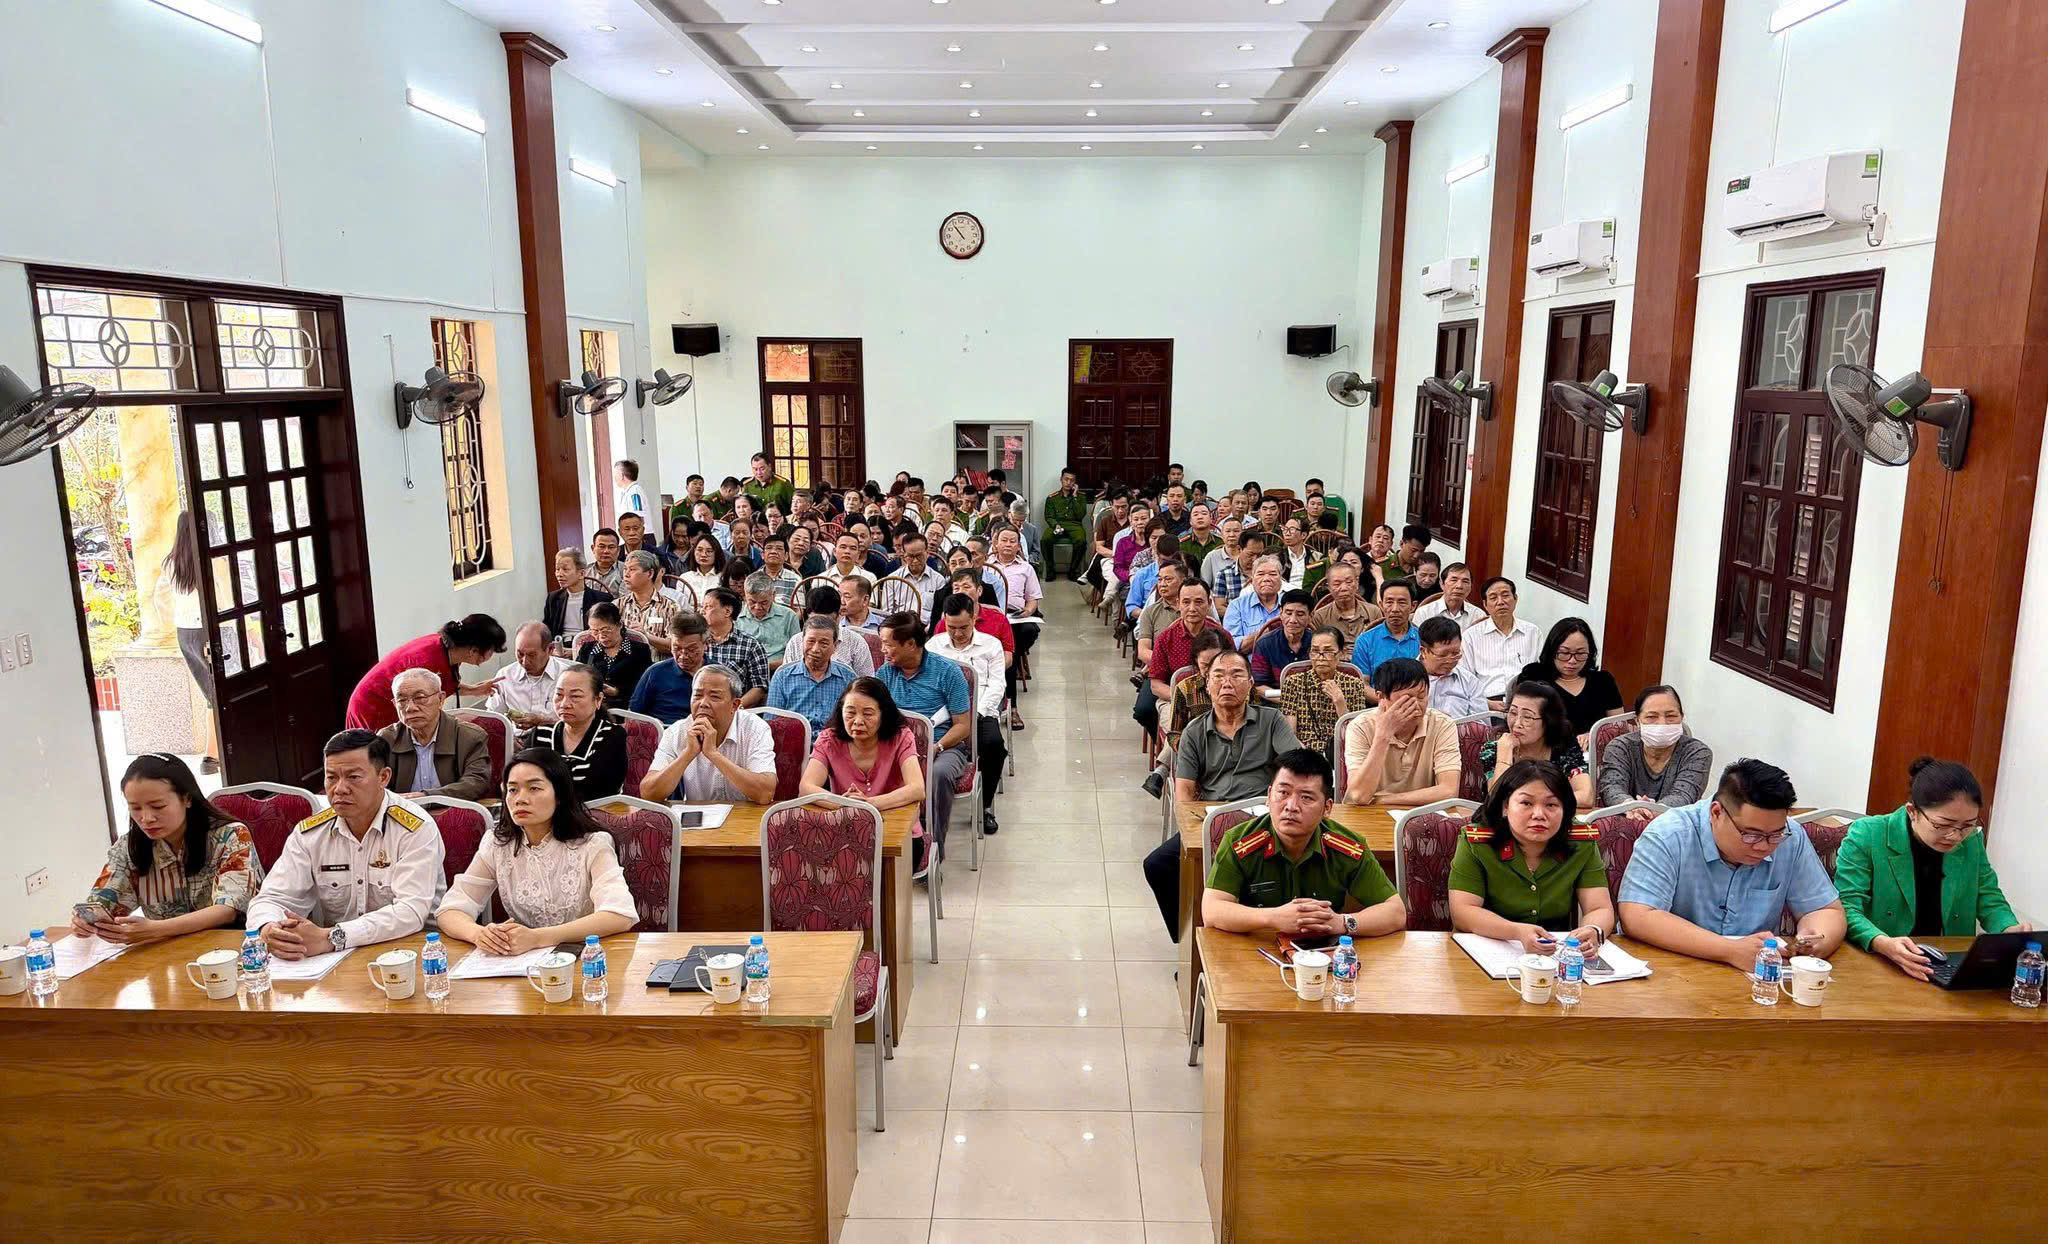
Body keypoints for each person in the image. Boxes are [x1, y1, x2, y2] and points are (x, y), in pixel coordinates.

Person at [1617, 759, 1847, 968]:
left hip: (1755, 975)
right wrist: (1729, 950)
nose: (1764, 846)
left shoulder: (1792, 837)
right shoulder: (1669, 834)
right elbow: (1638, 915)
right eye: (1751, 835)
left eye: (1775, 835)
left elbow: (1824, 909)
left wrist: (1814, 941)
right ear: (1716, 813)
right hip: (1673, 968)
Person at [245, 730, 445, 959]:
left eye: (353, 777)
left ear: (383, 777)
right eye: (331, 778)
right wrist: (269, 928)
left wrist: (332, 938)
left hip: (414, 951)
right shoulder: (311, 833)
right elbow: (272, 898)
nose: (339, 788)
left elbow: (410, 912)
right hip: (336, 957)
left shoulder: (414, 828)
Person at [1836, 758, 2028, 980]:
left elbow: (1989, 898)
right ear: (1912, 811)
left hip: (1948, 963)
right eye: (1943, 825)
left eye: (1967, 825)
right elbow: (1847, 907)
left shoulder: (1971, 841)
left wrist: (2009, 931)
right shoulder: (1868, 834)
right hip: (1881, 962)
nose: (1955, 836)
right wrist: (1882, 943)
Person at [436, 748, 638, 951]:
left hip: (589, 954)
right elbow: (450, 909)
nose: (520, 799)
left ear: (559, 794)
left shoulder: (593, 844)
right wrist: (479, 934)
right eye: (512, 790)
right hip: (523, 959)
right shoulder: (498, 844)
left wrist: (537, 938)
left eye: (534, 788)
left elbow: (619, 915)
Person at [1200, 749, 1404, 940]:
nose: (1291, 806)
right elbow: (1212, 910)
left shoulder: (1348, 847)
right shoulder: (1239, 843)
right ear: (1269, 796)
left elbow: (1395, 912)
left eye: (1306, 797)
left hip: (1324, 951)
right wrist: (1272, 917)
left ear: (1327, 808)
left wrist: (1341, 923)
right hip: (1257, 946)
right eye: (1283, 793)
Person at [72, 753, 262, 945]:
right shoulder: (129, 847)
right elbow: (103, 903)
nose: (146, 818)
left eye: (158, 806)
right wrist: (85, 921)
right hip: (164, 952)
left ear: (187, 798)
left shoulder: (230, 836)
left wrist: (155, 930)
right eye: (135, 808)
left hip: (229, 947)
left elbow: (227, 910)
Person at [1449, 760, 1614, 952]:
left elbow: (1599, 908)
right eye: (1526, 803)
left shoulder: (1581, 842)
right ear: (1505, 806)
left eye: (1551, 805)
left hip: (1555, 951)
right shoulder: (1478, 841)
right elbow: (1463, 911)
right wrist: (1517, 932)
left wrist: (1593, 930)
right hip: (1488, 946)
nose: (1539, 814)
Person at [877, 613, 975, 845]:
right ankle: (887, 843)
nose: (882, 650)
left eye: (888, 644)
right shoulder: (885, 674)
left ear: (911, 644)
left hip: (944, 747)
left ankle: (932, 845)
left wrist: (936, 747)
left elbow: (963, 726)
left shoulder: (948, 672)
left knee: (938, 774)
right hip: (896, 747)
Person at [801, 676, 928, 853]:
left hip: (900, 834)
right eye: (850, 713)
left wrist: (869, 804)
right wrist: (844, 804)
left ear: (883, 714)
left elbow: (917, 788)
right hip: (846, 832)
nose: (858, 721)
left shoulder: (901, 737)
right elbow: (806, 787)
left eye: (867, 714)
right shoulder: (829, 740)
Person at [1173, 649, 1301, 805]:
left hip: (1263, 808)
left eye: (1236, 676)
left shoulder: (1272, 720)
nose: (1227, 684)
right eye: (1218, 676)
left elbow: (1297, 766)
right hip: (1214, 810)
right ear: (1207, 685)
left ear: (1250, 684)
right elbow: (1184, 791)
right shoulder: (1194, 731)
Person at [639, 666, 779, 804]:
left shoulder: (755, 728)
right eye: (697, 696)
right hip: (698, 816)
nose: (703, 703)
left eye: (714, 697)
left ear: (734, 705)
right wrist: (688, 753)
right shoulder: (676, 732)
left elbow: (765, 793)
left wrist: (713, 754)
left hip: (747, 816)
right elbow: (648, 793)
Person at [345, 614, 506, 732]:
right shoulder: (426, 662)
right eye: (491, 651)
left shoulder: (446, 647)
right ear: (473, 651)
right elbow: (422, 713)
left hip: (385, 701)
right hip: (376, 707)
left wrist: (474, 690)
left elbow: (441, 685)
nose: (491, 656)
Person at [931, 593, 1009, 828]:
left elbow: (997, 684)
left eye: (963, 627)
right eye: (951, 627)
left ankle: (984, 806)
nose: (957, 634)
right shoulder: (933, 646)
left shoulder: (991, 645)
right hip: (943, 715)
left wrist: (976, 712)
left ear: (974, 618)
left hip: (981, 711)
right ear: (944, 620)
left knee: (994, 746)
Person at [1341, 658, 1462, 807]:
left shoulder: (1442, 725)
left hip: (1422, 814)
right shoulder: (1360, 727)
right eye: (1407, 699)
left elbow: (1449, 791)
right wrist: (1383, 736)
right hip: (1370, 815)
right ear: (1381, 697)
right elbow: (1358, 796)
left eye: (1422, 696)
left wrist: (1382, 800)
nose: (1416, 705)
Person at [157, 517, 219, 773]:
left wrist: (173, 620)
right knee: (220, 695)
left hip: (184, 632)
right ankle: (213, 756)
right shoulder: (210, 559)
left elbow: (160, 599)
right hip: (209, 630)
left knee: (211, 694)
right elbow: (224, 598)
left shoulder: (170, 562)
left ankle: (212, 756)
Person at [375, 668, 493, 802]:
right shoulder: (387, 739)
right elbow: (374, 785)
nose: (410, 708)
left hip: (452, 811)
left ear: (441, 699)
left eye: (420, 698)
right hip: (402, 812)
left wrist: (427, 797)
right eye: (402, 700)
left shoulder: (470, 736)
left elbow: (476, 783)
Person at [1596, 684, 1714, 814]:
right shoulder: (1620, 747)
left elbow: (1685, 795)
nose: (1662, 723)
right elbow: (1611, 787)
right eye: (1651, 717)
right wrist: (1630, 806)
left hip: (1673, 820)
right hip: (1625, 817)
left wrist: (1654, 810)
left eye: (1671, 716)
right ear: (1637, 721)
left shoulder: (1698, 753)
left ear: (1681, 717)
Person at [1481, 680, 1594, 807]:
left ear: (1548, 721)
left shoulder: (1564, 747)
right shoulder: (1494, 749)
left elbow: (1586, 796)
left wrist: (1536, 802)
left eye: (1527, 717)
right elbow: (1496, 800)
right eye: (1513, 713)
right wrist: (1504, 754)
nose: (1517, 724)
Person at [1517, 618, 1625, 740]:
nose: (1572, 661)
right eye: (1564, 653)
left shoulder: (1603, 681)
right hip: (1545, 747)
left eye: (1580, 654)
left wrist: (1594, 736)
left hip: (1592, 748)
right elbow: (1520, 720)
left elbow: (1618, 725)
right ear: (1552, 651)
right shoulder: (1534, 675)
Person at [1281, 625, 1372, 756]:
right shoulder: (1293, 682)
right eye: (1315, 651)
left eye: (1328, 651)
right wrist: (1306, 756)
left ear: (1341, 653)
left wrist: (1340, 702)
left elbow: (1356, 735)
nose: (1321, 657)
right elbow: (1291, 733)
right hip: (1304, 753)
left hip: (1341, 753)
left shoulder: (1354, 684)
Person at [541, 664, 628, 799]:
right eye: (559, 695)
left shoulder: (611, 736)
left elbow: (601, 791)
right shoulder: (540, 735)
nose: (564, 704)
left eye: (575, 696)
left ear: (598, 700)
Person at [769, 615, 860, 733]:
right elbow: (772, 722)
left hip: (834, 741)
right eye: (811, 641)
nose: (815, 649)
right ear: (802, 642)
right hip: (793, 741)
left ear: (835, 646)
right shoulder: (782, 677)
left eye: (824, 643)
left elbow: (854, 719)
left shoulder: (848, 677)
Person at [1461, 576, 1542, 702]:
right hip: (1487, 701)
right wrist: (1487, 704)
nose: (1500, 602)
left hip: (1526, 700)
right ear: (1485, 604)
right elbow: (1465, 679)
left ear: (1515, 599)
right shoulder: (1471, 636)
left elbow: (1541, 673)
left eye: (1505, 595)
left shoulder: (1533, 632)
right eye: (1493, 598)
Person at [485, 621, 572, 732]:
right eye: (520, 654)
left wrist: (543, 721)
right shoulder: (505, 676)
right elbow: (493, 718)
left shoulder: (568, 676)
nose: (525, 661)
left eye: (532, 655)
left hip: (556, 737)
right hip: (517, 739)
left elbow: (581, 722)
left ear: (550, 649)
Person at [780, 584, 879, 676]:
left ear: (839, 615)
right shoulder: (796, 642)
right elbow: (786, 677)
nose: (821, 627)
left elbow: (866, 681)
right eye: (815, 622)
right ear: (808, 617)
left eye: (827, 623)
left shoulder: (855, 642)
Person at [628, 613, 706, 725]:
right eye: (677, 648)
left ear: (705, 644)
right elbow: (633, 714)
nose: (683, 655)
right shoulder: (655, 672)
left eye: (691, 649)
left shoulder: (717, 675)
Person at [700, 586, 771, 707]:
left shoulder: (750, 645)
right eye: (703, 607)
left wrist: (732, 709)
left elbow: (759, 688)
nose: (702, 611)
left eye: (708, 607)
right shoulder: (698, 642)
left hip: (736, 709)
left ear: (727, 611)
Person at [573, 602, 652, 708]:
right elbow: (577, 678)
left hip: (626, 709)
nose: (601, 636)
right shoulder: (587, 649)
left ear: (619, 624)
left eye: (606, 631)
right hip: (591, 707)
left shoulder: (640, 651)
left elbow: (645, 688)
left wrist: (617, 692)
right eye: (595, 632)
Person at [1351, 578, 1420, 687]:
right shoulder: (1365, 641)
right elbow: (1362, 685)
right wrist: (1384, 698)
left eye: (1402, 602)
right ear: (1381, 604)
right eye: (1389, 602)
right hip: (1378, 697)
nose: (1395, 609)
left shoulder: (1424, 640)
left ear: (1413, 606)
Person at [1417, 615, 1488, 718]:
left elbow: (1482, 723)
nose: (1450, 660)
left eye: (1455, 653)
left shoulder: (1470, 682)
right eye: (1442, 655)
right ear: (1424, 651)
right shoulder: (1405, 679)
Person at [616, 550, 681, 658]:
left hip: (657, 665)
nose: (626, 575)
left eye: (632, 569)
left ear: (650, 573)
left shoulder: (670, 607)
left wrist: (646, 636)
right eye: (625, 569)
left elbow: (676, 645)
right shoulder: (617, 605)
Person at [542, 547, 611, 645]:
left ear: (581, 573)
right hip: (560, 646)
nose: (559, 574)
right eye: (557, 569)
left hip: (589, 647)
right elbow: (547, 630)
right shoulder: (553, 598)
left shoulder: (601, 599)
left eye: (565, 569)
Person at [1249, 589, 1314, 688]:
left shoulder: (1318, 643)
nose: (1293, 620)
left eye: (1300, 614)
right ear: (1281, 613)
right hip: (1274, 697)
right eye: (1288, 613)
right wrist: (1285, 697)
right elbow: (1259, 686)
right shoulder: (1265, 644)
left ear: (1310, 616)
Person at [1309, 561, 1382, 648]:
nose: (1344, 588)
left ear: (1357, 582)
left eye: (1349, 582)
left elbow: (1380, 644)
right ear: (1329, 587)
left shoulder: (1373, 612)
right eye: (1337, 584)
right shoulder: (1320, 616)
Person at [736, 572, 802, 667]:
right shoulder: (736, 617)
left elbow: (797, 654)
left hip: (781, 669)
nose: (758, 607)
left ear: (773, 595)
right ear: (745, 595)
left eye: (764, 603)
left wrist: (767, 665)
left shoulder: (789, 616)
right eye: (752, 602)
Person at [1223, 554, 1285, 644]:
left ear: (1280, 579)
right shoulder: (1237, 606)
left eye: (1272, 574)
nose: (1266, 579)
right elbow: (1232, 644)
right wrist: (1269, 631)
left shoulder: (1290, 605)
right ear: (1252, 580)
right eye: (1260, 574)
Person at [678, 533, 727, 605]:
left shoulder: (723, 577)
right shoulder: (684, 578)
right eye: (699, 550)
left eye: (709, 551)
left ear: (717, 553)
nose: (703, 555)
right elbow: (679, 604)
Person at [587, 528, 626, 597]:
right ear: (593, 548)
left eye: (611, 547)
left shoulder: (626, 571)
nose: (606, 551)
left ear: (618, 550)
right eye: (601, 547)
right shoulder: (584, 572)